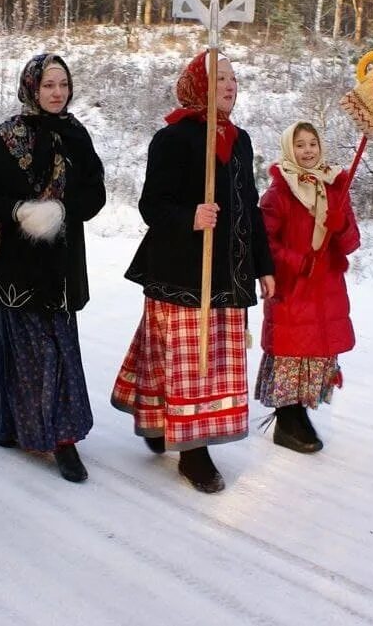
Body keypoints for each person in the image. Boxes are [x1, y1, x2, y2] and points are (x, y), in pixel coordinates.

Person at [111, 51, 274, 494]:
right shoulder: (174, 139)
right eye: (220, 77)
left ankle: (170, 426)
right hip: (182, 271)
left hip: (229, 273)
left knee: (210, 361)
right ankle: (193, 450)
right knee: (185, 362)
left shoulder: (240, 140)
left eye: (235, 78)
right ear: (198, 84)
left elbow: (249, 208)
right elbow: (151, 205)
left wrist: (264, 266)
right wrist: (191, 216)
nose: (230, 85)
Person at [0, 53, 106, 483]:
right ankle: (6, 421)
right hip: (17, 265)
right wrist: (19, 210)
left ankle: (63, 440)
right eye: (48, 85)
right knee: (20, 346)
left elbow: (96, 194)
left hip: (62, 266)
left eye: (62, 84)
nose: (57, 93)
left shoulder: (77, 135)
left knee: (58, 348)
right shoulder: (4, 138)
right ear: (31, 87)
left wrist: (63, 210)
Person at [256, 122, 359, 452]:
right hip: (293, 288)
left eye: (312, 143)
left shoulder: (335, 188)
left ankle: (300, 416)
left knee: (315, 354)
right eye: (299, 145)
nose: (308, 150)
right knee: (290, 354)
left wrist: (340, 222)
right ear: (289, 149)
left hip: (325, 288)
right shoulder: (279, 193)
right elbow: (264, 242)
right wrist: (297, 261)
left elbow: (351, 242)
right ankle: (287, 419)